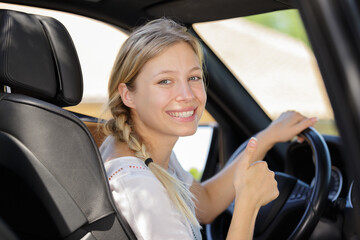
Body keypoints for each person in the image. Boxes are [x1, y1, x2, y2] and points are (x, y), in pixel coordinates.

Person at [99, 18, 317, 240]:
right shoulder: (142, 189)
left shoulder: (146, 154)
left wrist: (269, 136)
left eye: (193, 77)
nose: (187, 95)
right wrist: (248, 204)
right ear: (128, 95)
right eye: (165, 81)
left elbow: (207, 202)